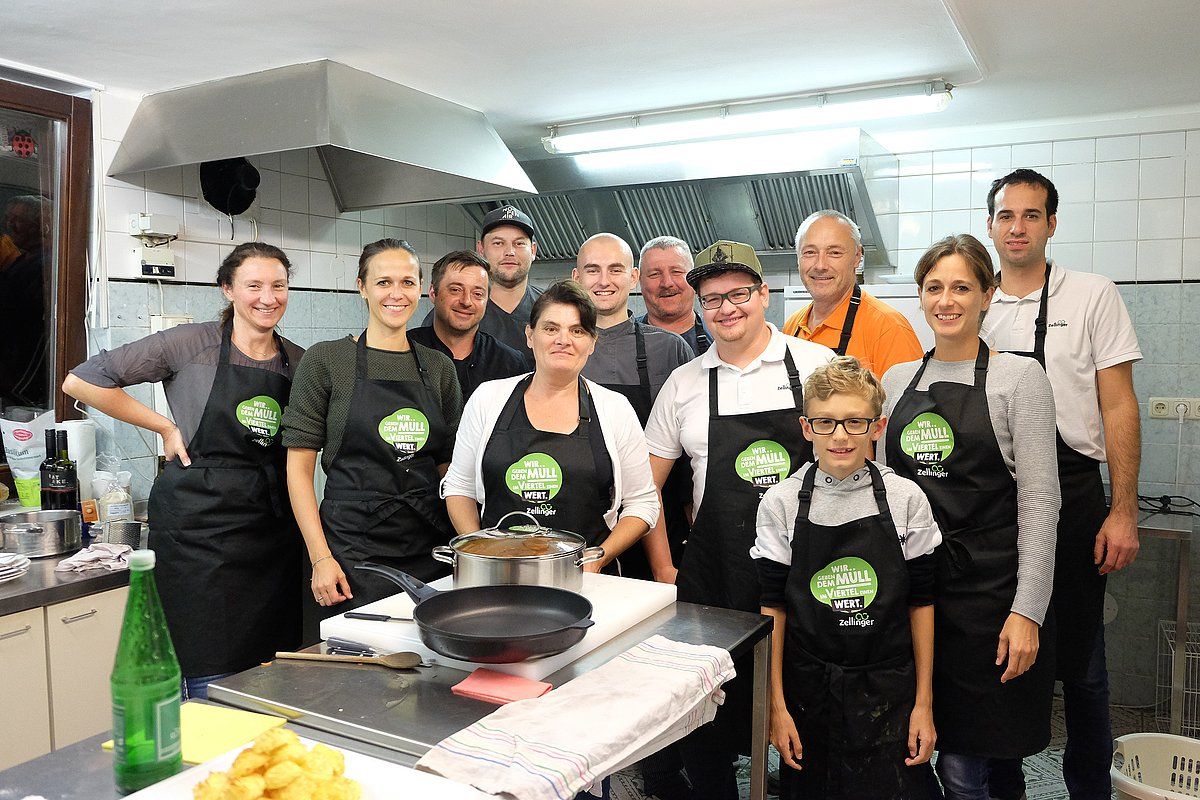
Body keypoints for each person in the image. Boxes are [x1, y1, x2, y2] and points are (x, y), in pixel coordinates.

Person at [63, 242, 304, 699]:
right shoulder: (189, 343)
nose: (267, 297)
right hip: (197, 530)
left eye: (278, 285)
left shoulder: (298, 359)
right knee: (205, 654)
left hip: (269, 531)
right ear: (228, 289)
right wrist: (164, 427)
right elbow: (82, 379)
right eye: (254, 285)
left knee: (271, 664)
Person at [644, 240, 833, 799]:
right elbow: (644, 490)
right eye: (711, 299)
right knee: (710, 712)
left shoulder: (817, 367)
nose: (726, 308)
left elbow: (858, 470)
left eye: (738, 294)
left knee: (808, 705)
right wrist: (663, 570)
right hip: (715, 575)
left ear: (764, 295)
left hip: (809, 573)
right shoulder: (684, 384)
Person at [879, 234, 1060, 800]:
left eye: (961, 286)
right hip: (921, 595)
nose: (947, 299)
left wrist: (1027, 611)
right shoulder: (896, 381)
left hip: (991, 596)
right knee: (952, 756)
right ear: (920, 296)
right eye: (934, 287)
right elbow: (888, 495)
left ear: (988, 293)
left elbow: (1040, 499)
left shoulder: (1018, 379)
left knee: (976, 761)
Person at [980, 169, 1142, 800]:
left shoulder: (1092, 294)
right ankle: (1003, 788)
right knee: (1000, 652)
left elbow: (1120, 405)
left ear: (1051, 224)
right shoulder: (976, 299)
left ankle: (1087, 792)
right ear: (992, 224)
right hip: (997, 497)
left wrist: (1122, 509)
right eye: (1004, 215)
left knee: (1081, 665)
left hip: (1074, 493)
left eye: (1030, 215)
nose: (1016, 227)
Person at [753, 355, 940, 799]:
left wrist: (924, 705)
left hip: (890, 691)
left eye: (855, 422)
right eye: (826, 423)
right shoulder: (780, 503)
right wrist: (775, 708)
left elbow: (923, 603)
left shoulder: (905, 499)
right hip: (809, 692)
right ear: (806, 427)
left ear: (878, 427)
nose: (840, 436)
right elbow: (772, 609)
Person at [284, 239, 461, 615]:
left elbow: (449, 469)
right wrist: (320, 558)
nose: (397, 294)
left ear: (421, 290)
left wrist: (469, 545)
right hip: (350, 553)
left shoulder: (439, 367)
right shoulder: (327, 360)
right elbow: (298, 471)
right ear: (362, 287)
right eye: (383, 283)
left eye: (408, 282)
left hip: (428, 544)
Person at [441, 280, 658, 571]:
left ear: (592, 342)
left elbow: (643, 503)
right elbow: (459, 487)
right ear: (530, 335)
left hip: (588, 580)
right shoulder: (488, 399)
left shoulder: (615, 409)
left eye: (577, 330)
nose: (563, 340)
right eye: (550, 328)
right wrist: (480, 554)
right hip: (498, 578)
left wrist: (598, 558)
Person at [572, 232, 692, 582]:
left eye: (615, 269)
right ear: (577, 278)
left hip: (659, 520)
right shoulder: (561, 348)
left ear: (633, 277)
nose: (604, 280)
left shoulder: (670, 349)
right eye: (593, 270)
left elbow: (690, 454)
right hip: (584, 523)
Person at [783, 210, 923, 377]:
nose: (820, 265)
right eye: (810, 252)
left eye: (834, 252)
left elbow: (908, 403)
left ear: (857, 256)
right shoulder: (792, 327)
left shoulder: (888, 328)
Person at [420, 205, 543, 362]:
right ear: (481, 249)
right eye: (498, 243)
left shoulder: (551, 307)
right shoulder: (454, 313)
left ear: (533, 250)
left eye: (519, 243)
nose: (510, 251)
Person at [407, 249, 527, 401]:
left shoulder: (510, 363)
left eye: (477, 294)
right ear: (432, 292)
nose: (466, 301)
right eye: (456, 290)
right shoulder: (403, 351)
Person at [1, 195, 51, 406]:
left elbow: (30, 312)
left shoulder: (46, 262)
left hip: (25, 354)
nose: (9, 225)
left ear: (37, 225)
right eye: (8, 219)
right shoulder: (23, 259)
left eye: (17, 219)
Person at [635, 235, 712, 355]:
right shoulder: (620, 342)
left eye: (676, 272)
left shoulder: (719, 339)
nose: (667, 283)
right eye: (655, 274)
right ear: (639, 281)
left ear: (693, 278)